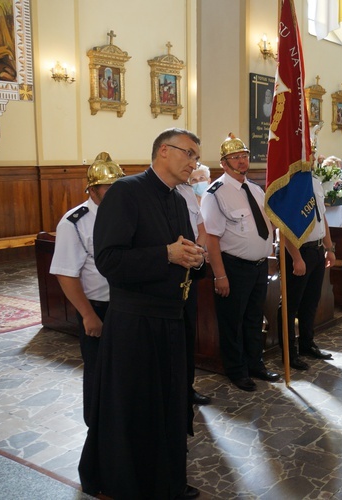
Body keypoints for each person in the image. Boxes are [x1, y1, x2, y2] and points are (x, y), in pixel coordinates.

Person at [79, 128, 206, 500]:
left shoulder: (179, 200)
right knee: (137, 409)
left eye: (196, 157)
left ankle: (165, 481)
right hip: (135, 323)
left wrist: (195, 258)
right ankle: (131, 485)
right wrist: (165, 255)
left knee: (169, 405)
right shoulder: (126, 192)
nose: (193, 163)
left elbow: (181, 249)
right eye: (189, 153)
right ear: (164, 151)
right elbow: (109, 260)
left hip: (172, 318)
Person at [50, 152, 125, 426]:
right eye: (109, 186)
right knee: (99, 371)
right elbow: (66, 274)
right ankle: (97, 426)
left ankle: (122, 423)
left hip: (128, 306)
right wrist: (88, 315)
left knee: (126, 369)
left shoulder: (127, 215)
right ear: (92, 190)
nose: (116, 191)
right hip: (98, 308)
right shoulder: (75, 222)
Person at [201, 135, 279, 392]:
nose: (242, 161)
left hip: (258, 266)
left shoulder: (255, 189)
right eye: (235, 157)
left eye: (244, 156)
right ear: (223, 163)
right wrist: (220, 276)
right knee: (232, 322)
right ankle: (236, 370)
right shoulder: (215, 194)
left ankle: (255, 363)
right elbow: (212, 238)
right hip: (233, 268)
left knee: (254, 318)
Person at [278, 169, 337, 371]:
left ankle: (306, 344)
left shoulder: (314, 180)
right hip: (299, 252)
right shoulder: (289, 182)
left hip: (318, 250)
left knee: (310, 302)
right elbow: (283, 225)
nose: (309, 157)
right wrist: (296, 257)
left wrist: (329, 248)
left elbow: (322, 217)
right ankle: (289, 352)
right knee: (290, 304)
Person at [177, 167, 213, 412]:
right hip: (172, 272)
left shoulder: (189, 193)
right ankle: (173, 391)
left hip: (191, 268)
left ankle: (187, 388)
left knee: (188, 334)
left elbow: (201, 229)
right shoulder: (158, 193)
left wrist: (197, 252)